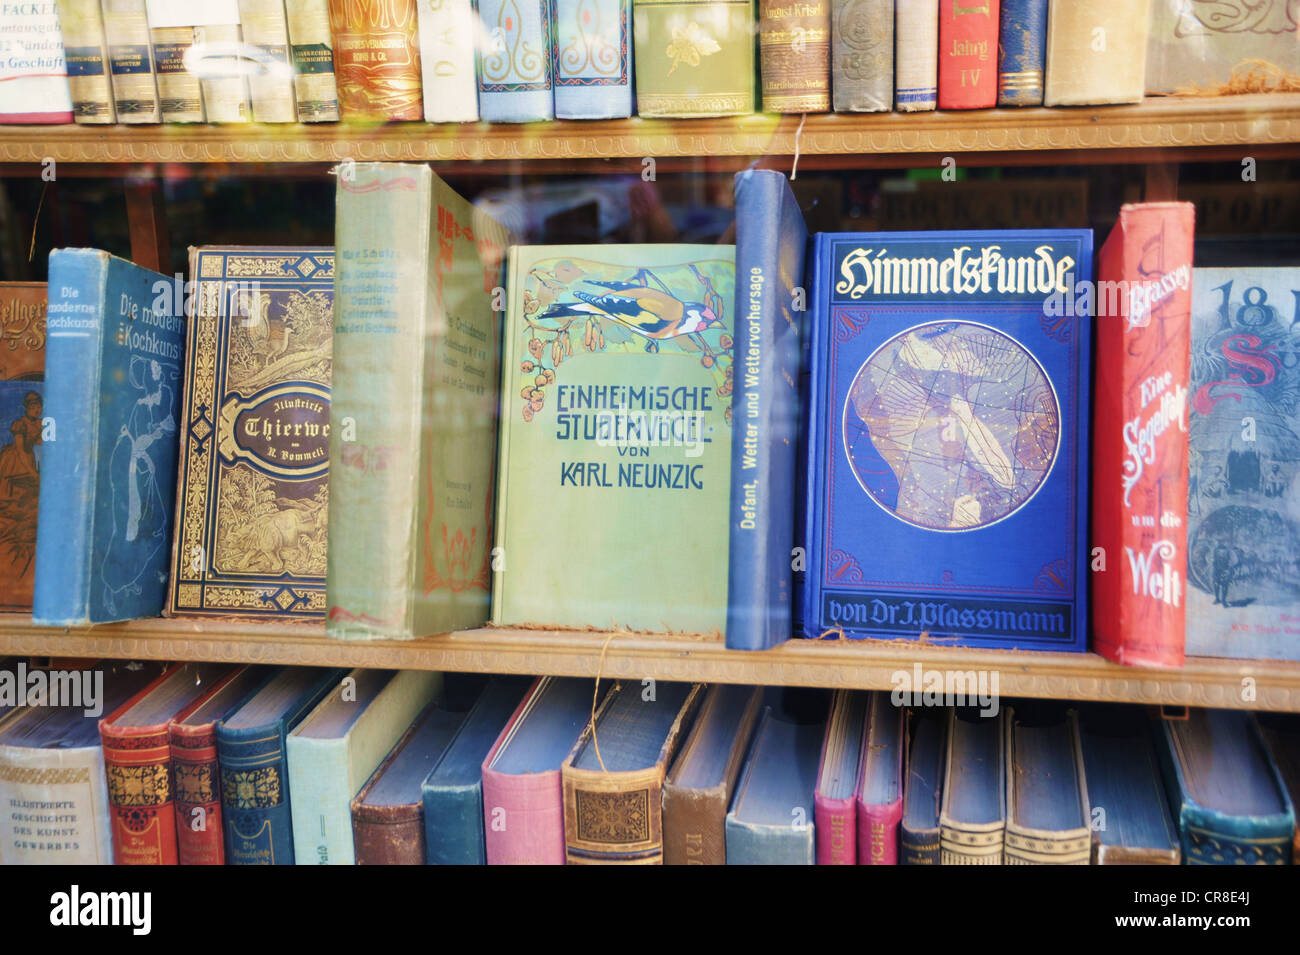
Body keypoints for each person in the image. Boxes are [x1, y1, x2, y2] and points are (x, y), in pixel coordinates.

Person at [0, 391, 42, 497]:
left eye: (39, 406)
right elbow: (20, 451)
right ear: (27, 408)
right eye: (33, 407)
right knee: (11, 494)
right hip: (14, 459)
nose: (37, 410)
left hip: (29, 457)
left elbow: (42, 443)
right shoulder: (20, 424)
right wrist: (32, 472)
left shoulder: (39, 423)